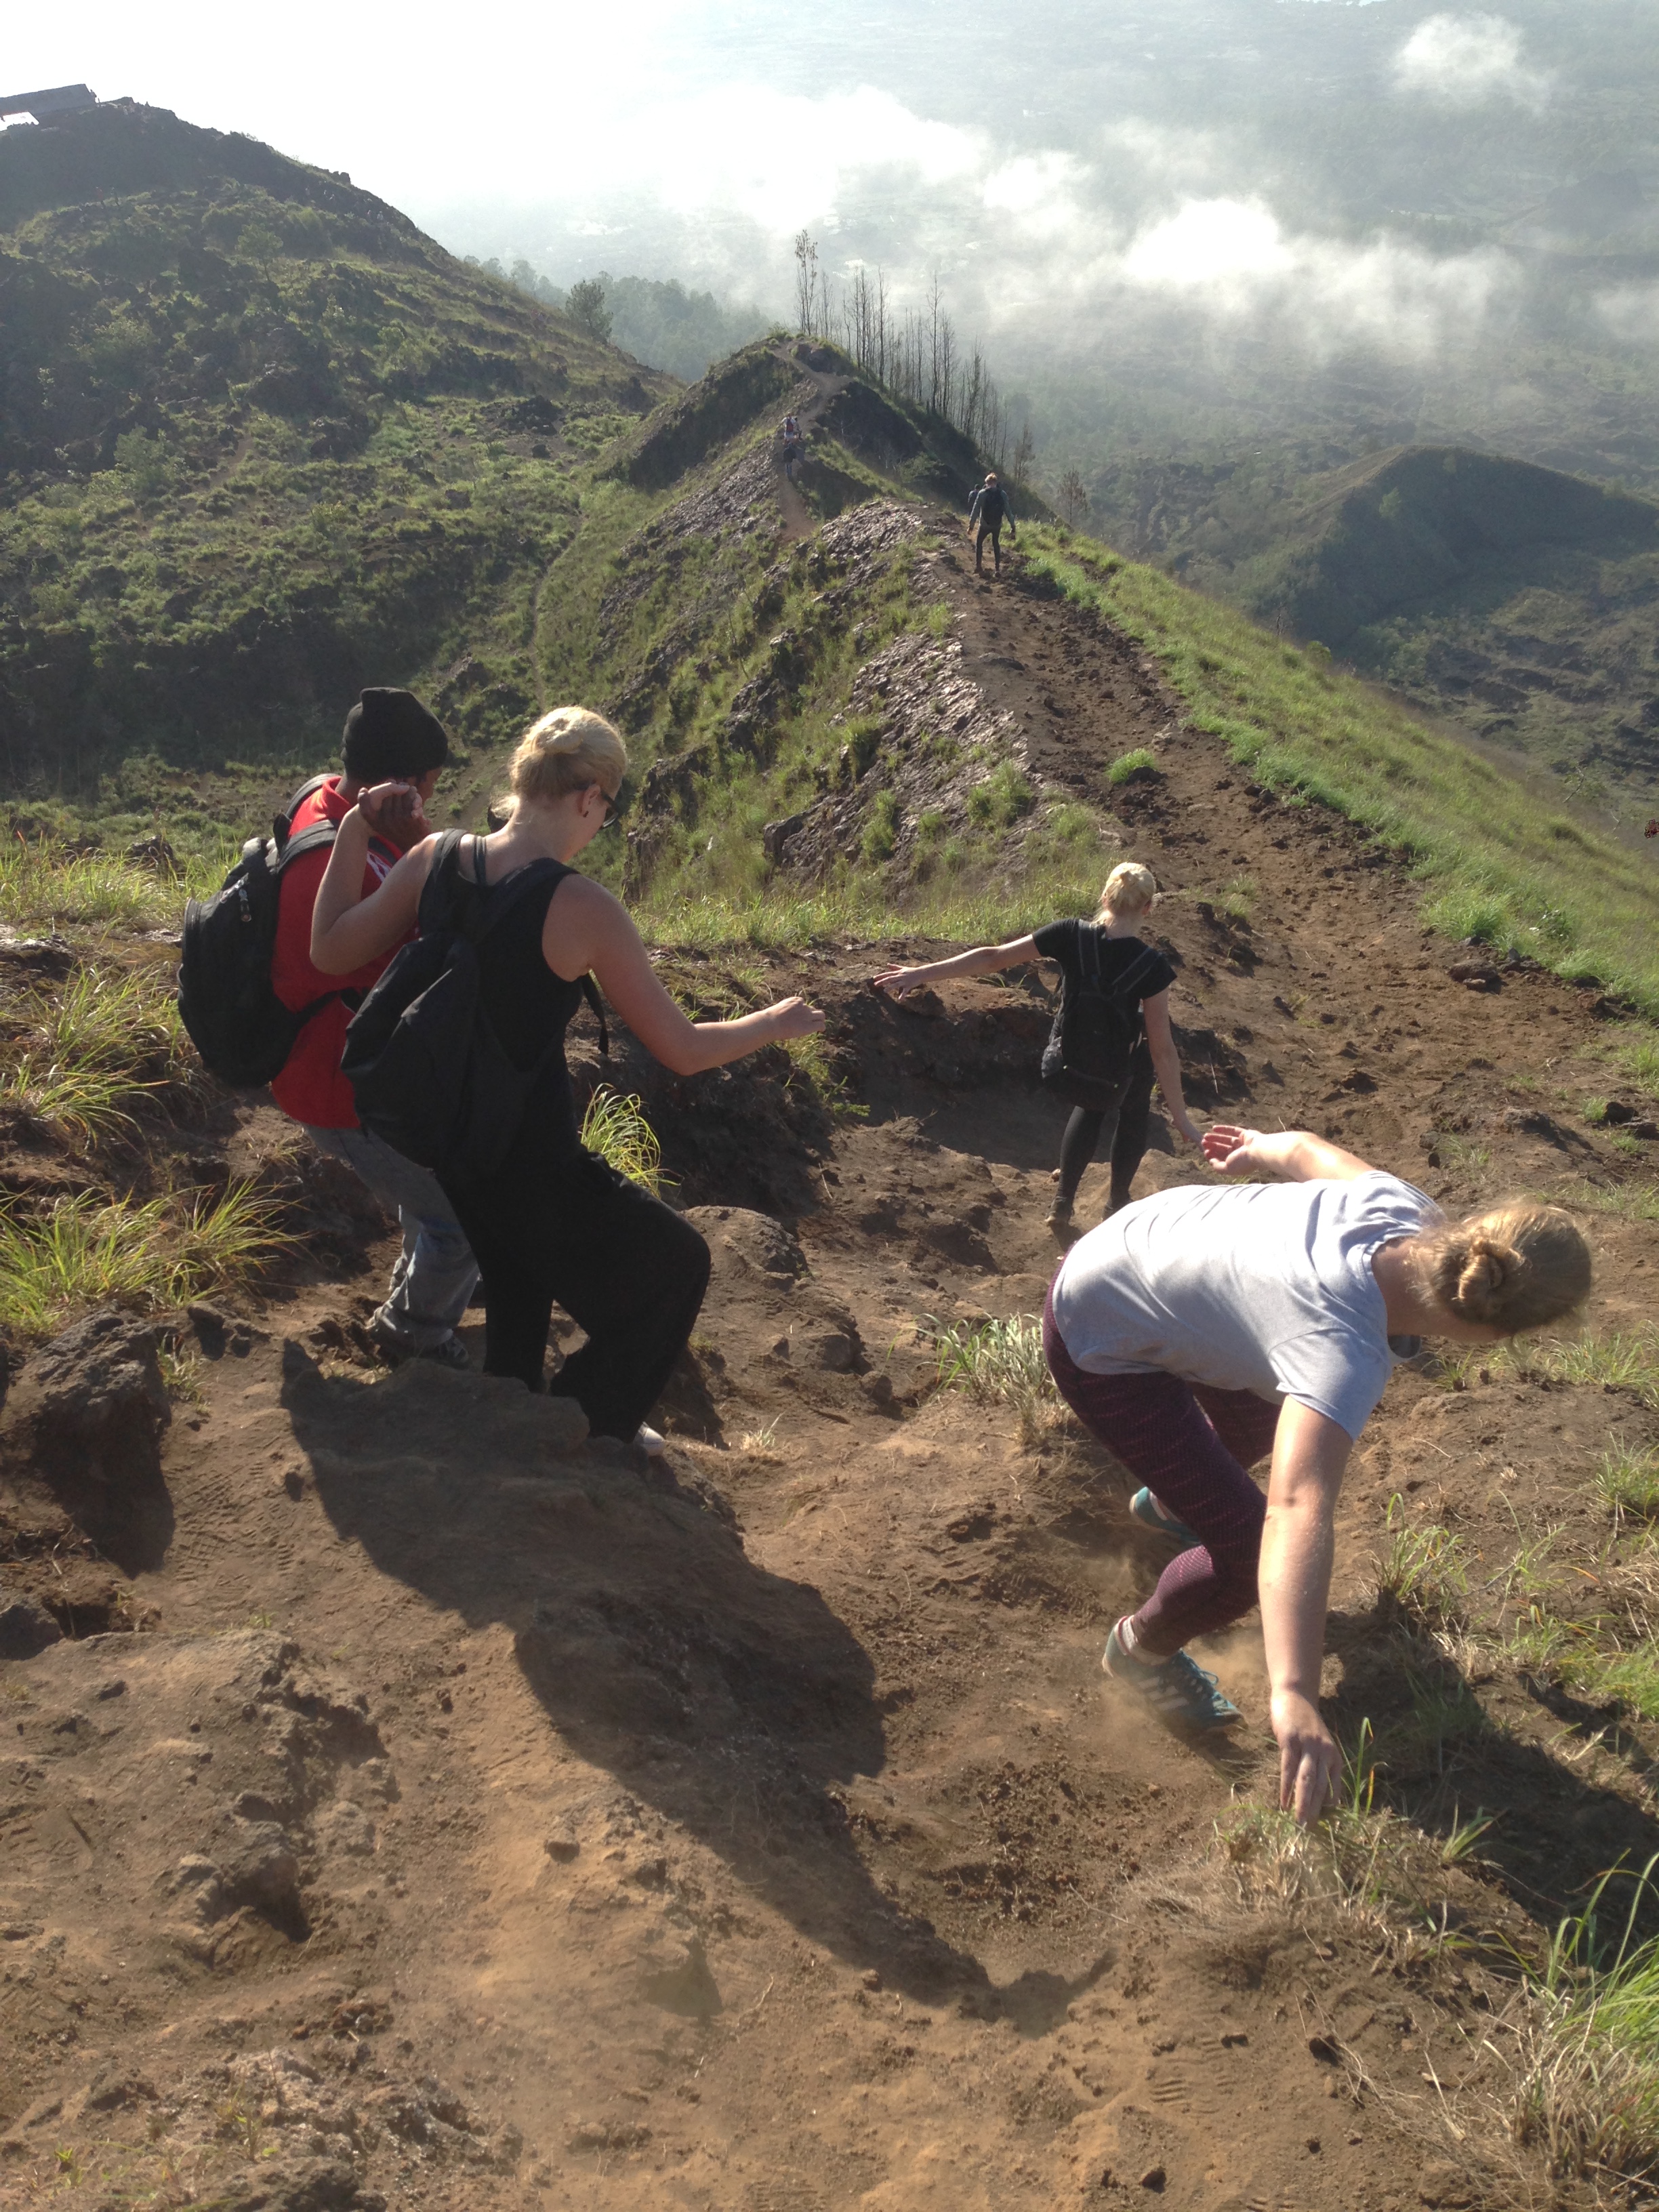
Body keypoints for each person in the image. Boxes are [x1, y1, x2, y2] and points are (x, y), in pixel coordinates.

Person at [1044, 1125, 1591, 1822]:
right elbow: (1297, 1509)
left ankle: (1176, 1502)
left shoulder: (1405, 1208)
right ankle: (1138, 1652)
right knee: (1246, 1551)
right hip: (1095, 1335)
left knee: (1268, 1412)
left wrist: (1252, 1148)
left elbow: (1302, 1150)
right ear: (1495, 1332)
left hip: (1139, 1242)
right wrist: (1294, 1693)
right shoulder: (1341, 1353)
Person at [308, 707, 825, 1444]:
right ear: (589, 797)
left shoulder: (436, 860)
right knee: (678, 1267)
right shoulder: (581, 906)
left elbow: (328, 951)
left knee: (520, 1295)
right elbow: (679, 1047)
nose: (599, 825)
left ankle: (515, 1413)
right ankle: (584, 1430)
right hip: (533, 1164)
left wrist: (356, 830)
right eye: (605, 812)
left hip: (460, 1153)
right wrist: (773, 1023)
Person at [271, 687, 478, 1370]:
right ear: (406, 784)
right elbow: (417, 951)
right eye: (428, 789)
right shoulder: (333, 863)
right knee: (465, 1215)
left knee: (429, 1199)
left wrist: (412, 838)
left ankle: (414, 1297)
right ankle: (413, 1331)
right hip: (342, 1093)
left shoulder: (328, 806)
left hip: (340, 1076)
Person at [870, 862, 1202, 1237]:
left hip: (1063, 1066)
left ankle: (1062, 1202)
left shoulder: (1070, 934)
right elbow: (1162, 1049)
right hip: (1113, 1074)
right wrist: (1181, 1118)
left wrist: (918, 973)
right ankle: (1116, 1204)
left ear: (1104, 897)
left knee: (1091, 1106)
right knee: (1135, 1098)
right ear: (1148, 908)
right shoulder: (1152, 966)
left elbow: (992, 957)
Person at [966, 472, 1015, 575]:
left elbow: (975, 510)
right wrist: (1013, 526)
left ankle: (979, 567)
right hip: (997, 525)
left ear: (987, 483)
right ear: (996, 483)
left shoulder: (982, 494)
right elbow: (1008, 511)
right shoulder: (1002, 494)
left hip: (984, 524)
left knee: (979, 543)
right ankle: (997, 569)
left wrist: (971, 526)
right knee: (996, 544)